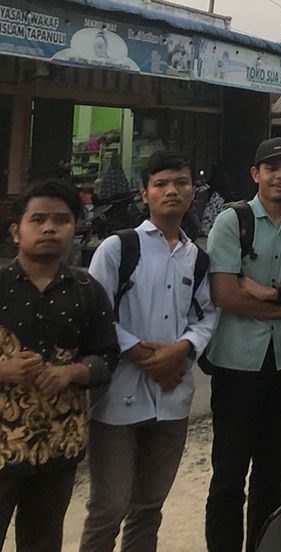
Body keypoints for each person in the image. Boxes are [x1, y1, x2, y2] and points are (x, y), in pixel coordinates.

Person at [82, 152, 217, 552]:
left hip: (172, 401)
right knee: (108, 506)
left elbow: (207, 315)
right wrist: (146, 358)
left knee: (149, 506)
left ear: (193, 190)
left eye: (181, 182)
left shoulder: (198, 258)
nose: (171, 190)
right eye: (160, 184)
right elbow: (96, 313)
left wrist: (182, 349)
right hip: (117, 400)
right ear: (145, 193)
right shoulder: (118, 248)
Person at [204, 137, 281, 552]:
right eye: (271, 168)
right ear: (255, 174)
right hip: (236, 364)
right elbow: (226, 294)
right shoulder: (231, 221)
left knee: (275, 473)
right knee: (228, 474)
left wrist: (268, 294)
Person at [0, 181, 118, 551]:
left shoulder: (87, 290)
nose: (49, 227)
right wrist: (4, 370)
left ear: (74, 228)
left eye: (61, 220)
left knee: (43, 542)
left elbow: (108, 358)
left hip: (58, 447)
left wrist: (71, 372)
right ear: (16, 230)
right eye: (38, 219)